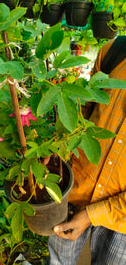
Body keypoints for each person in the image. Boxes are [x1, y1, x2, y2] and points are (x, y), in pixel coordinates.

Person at [48, 37, 126, 265]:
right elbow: (85, 110)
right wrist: (57, 149)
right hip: (75, 189)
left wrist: (92, 215)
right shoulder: (114, 50)